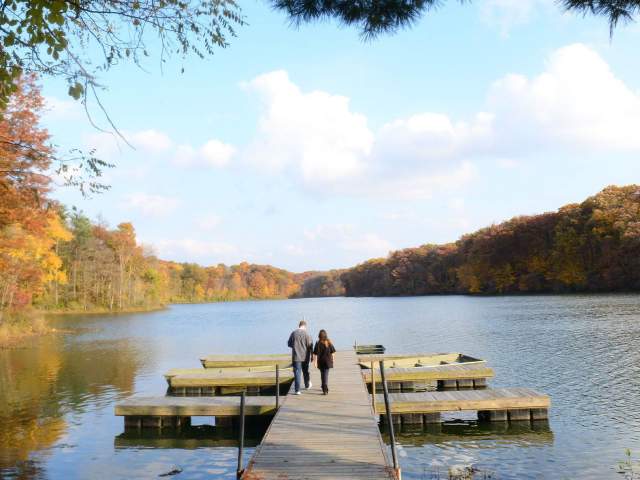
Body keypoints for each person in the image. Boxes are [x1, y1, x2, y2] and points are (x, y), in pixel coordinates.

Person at [287, 320, 313, 394]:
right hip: (305, 356)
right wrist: (312, 355)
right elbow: (310, 345)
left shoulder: (293, 333)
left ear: (299, 326)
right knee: (305, 371)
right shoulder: (307, 334)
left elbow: (289, 344)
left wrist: (295, 346)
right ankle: (307, 385)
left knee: (297, 373)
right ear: (305, 326)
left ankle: (297, 390)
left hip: (296, 356)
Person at [313, 329, 336, 395]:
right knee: (325, 374)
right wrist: (333, 360)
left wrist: (315, 363)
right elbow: (333, 352)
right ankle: (325, 388)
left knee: (323, 374)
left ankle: (324, 386)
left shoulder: (318, 343)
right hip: (327, 362)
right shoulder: (328, 342)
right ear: (326, 335)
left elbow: (315, 354)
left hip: (320, 362)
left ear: (319, 336)